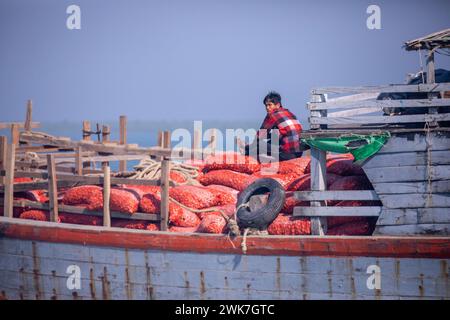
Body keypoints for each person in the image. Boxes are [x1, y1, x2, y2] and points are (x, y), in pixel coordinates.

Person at [241, 91, 304, 162]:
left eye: (270, 105)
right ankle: (247, 148)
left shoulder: (272, 115)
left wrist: (250, 147)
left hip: (286, 154)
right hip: (298, 153)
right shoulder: (290, 113)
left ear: (278, 105)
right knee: (272, 138)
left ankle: (245, 152)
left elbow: (261, 135)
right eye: (266, 105)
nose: (267, 108)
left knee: (259, 145)